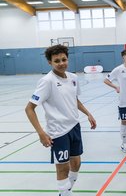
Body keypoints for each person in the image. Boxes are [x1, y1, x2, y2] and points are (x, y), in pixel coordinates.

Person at [25, 45, 96, 196]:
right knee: (62, 168)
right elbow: (29, 109)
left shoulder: (73, 78)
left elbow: (74, 100)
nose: (61, 63)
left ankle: (66, 191)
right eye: (56, 61)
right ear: (50, 63)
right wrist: (41, 133)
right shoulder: (47, 81)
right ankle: (64, 193)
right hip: (58, 131)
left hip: (74, 127)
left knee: (76, 163)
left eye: (64, 59)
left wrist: (88, 113)